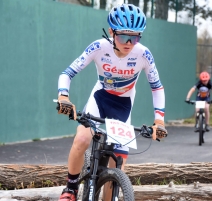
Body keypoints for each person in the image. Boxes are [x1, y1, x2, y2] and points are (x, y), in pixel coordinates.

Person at [56, 4, 167, 201]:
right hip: (100, 98)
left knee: (118, 164)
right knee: (82, 139)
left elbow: (157, 87)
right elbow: (67, 73)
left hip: (123, 106)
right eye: (124, 36)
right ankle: (71, 188)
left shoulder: (143, 54)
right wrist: (64, 97)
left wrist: (159, 121)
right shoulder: (99, 47)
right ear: (111, 32)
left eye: (136, 37)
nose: (130, 43)